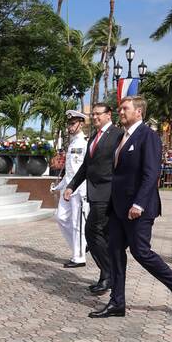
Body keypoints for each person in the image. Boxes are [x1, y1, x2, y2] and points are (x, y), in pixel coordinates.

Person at [89, 96, 172, 318]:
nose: (121, 112)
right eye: (120, 109)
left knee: (141, 251)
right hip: (117, 208)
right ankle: (117, 302)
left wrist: (139, 203)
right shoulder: (122, 138)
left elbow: (151, 173)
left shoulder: (148, 136)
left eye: (125, 109)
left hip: (137, 208)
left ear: (139, 112)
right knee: (114, 251)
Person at [64, 102, 124, 294]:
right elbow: (86, 167)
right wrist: (72, 185)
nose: (96, 117)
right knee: (102, 236)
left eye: (99, 114)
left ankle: (109, 273)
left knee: (91, 231)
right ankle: (106, 276)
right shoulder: (94, 138)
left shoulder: (117, 135)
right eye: (94, 114)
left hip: (108, 192)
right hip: (94, 192)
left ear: (109, 115)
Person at [52, 110, 88, 268]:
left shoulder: (85, 143)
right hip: (68, 189)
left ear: (81, 124)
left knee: (76, 223)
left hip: (79, 190)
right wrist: (58, 187)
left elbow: (84, 170)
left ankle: (79, 257)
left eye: (73, 123)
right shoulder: (72, 143)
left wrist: (77, 188)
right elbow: (69, 172)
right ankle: (80, 246)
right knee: (60, 217)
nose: (70, 126)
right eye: (69, 123)